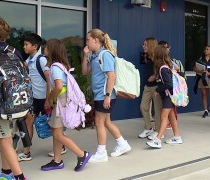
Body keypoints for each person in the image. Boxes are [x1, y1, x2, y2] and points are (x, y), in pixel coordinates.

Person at [41, 39, 91, 171]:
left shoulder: (55, 67)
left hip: (60, 100)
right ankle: (57, 160)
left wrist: (49, 99)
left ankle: (82, 154)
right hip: (61, 100)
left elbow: (58, 87)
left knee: (57, 134)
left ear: (51, 50)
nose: (44, 48)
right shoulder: (60, 65)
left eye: (46, 47)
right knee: (55, 131)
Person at [82, 29, 131, 162]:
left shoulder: (105, 55)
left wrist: (107, 96)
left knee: (99, 122)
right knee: (106, 122)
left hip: (104, 95)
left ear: (96, 40)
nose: (86, 42)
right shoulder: (94, 55)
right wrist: (85, 56)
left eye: (88, 39)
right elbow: (85, 72)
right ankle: (123, 144)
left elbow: (111, 76)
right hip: (101, 95)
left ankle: (101, 153)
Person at [17, 33, 67, 161]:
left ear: (35, 46)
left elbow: (49, 80)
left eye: (26, 44)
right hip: (34, 99)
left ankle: (61, 146)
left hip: (44, 99)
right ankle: (26, 152)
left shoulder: (42, 60)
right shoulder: (29, 60)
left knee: (53, 124)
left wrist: (48, 99)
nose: (24, 47)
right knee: (29, 121)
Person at [0, 16, 27, 180]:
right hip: (19, 101)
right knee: (8, 137)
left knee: (3, 140)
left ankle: (20, 176)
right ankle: (5, 172)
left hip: (0, 104)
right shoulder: (14, 51)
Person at [146, 45, 182, 148]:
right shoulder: (165, 67)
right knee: (171, 117)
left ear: (157, 55)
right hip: (170, 96)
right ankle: (177, 137)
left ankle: (157, 140)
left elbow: (169, 84)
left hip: (168, 97)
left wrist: (157, 90)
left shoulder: (162, 69)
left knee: (163, 117)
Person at [138, 37, 162, 139]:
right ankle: (148, 128)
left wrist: (155, 76)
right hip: (147, 86)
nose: (143, 46)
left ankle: (158, 130)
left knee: (157, 110)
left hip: (157, 86)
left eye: (145, 45)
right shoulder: (146, 56)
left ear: (151, 45)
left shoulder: (159, 58)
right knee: (143, 107)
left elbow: (164, 69)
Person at [193, 45, 210, 118]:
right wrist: (200, 71)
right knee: (204, 94)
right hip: (202, 78)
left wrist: (208, 73)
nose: (206, 51)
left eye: (207, 49)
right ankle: (205, 110)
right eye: (205, 49)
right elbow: (194, 68)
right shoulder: (200, 59)